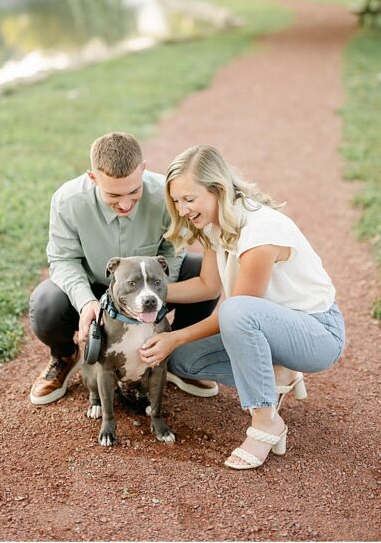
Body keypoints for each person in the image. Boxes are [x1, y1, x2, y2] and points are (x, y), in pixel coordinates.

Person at [141, 145, 346, 469]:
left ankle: (266, 422)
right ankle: (279, 370)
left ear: (218, 190)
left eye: (189, 199)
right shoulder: (214, 225)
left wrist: (175, 336)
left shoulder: (260, 232)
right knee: (183, 360)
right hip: (267, 326)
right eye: (177, 201)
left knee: (233, 311)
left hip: (317, 333)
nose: (181, 210)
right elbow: (208, 285)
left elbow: (238, 310)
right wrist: (150, 294)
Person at [28, 132, 220, 405]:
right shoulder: (67, 201)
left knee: (202, 272)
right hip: (93, 284)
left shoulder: (165, 195)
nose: (126, 204)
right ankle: (64, 356)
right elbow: (63, 260)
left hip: (147, 284)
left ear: (143, 169)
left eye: (134, 191)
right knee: (45, 303)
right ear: (93, 178)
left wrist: (157, 295)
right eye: (114, 195)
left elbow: (173, 250)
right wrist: (86, 303)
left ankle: (174, 356)